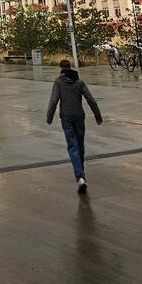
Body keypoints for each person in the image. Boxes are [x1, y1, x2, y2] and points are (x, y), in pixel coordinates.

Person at [46, 59, 103, 194]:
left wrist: (49, 117)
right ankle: (81, 174)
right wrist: (98, 116)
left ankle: (80, 177)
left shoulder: (58, 81)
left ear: (60, 68)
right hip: (79, 117)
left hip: (66, 118)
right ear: (70, 67)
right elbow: (90, 99)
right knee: (80, 145)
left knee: (73, 146)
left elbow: (54, 100)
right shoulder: (79, 81)